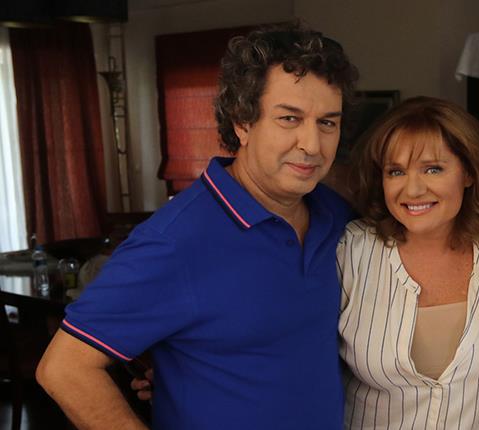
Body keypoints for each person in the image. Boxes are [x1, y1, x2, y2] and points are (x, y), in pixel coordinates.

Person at [35, 23, 359, 429]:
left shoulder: (336, 215)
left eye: (327, 123)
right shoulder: (175, 240)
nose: (312, 144)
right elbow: (65, 368)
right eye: (289, 118)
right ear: (242, 122)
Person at [338, 96, 479, 429]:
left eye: (433, 169)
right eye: (396, 171)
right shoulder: (351, 253)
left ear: (468, 172)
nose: (412, 189)